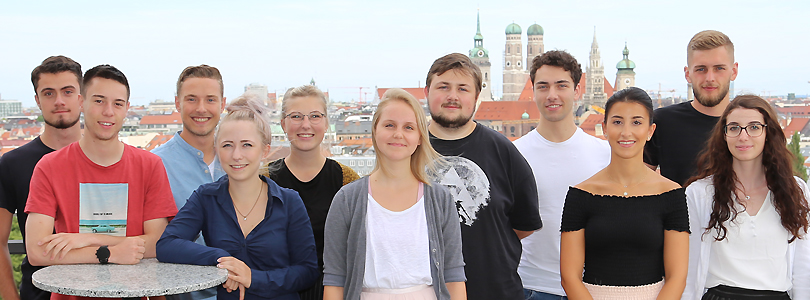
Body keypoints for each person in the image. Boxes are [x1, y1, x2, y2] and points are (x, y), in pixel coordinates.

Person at [24, 65, 178, 300]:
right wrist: (109, 253)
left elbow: (157, 243)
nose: (108, 111)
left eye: (117, 103)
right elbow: (36, 251)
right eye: (98, 101)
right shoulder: (50, 166)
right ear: (81, 102)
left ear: (127, 109)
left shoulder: (149, 165)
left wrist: (87, 238)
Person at [157, 94, 319, 300]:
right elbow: (167, 244)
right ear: (217, 150)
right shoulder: (206, 198)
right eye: (227, 145)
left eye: (247, 145)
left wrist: (252, 278)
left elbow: (307, 271)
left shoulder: (289, 202)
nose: (236, 155)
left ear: (265, 151)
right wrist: (222, 259)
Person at [323, 89, 466, 300]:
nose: (398, 134)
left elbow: (453, 276)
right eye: (389, 125)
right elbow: (335, 279)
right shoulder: (347, 200)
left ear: (419, 138)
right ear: (375, 131)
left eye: (408, 127)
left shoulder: (440, 199)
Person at [424, 53, 542, 300]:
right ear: (427, 92)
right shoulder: (408, 149)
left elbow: (524, 225)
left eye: (463, 89)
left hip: (495, 292)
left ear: (476, 97)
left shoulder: (503, 151)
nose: (452, 96)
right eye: (443, 87)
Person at [560, 87, 690, 299]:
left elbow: (677, 277)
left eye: (636, 122)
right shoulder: (580, 195)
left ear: (650, 131)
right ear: (604, 128)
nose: (626, 132)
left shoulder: (672, 194)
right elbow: (569, 277)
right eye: (617, 122)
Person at [683, 95, 810, 300]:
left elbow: (804, 267)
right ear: (724, 135)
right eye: (734, 128)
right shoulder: (700, 193)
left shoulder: (796, 190)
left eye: (754, 127)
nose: (743, 136)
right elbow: (690, 264)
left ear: (768, 133)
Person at [515, 50, 610, 300]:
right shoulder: (513, 154)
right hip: (531, 286)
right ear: (533, 90)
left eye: (561, 85)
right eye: (543, 86)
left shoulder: (605, 153)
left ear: (577, 91)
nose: (552, 95)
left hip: (595, 287)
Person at [0, 56, 83, 300]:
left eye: (68, 91)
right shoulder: (12, 164)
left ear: (82, 96)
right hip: (38, 294)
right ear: (37, 100)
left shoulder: (109, 159)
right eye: (48, 93)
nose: (59, 101)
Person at [266, 85, 359, 299]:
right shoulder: (264, 180)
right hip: (277, 290)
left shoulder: (347, 179)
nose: (305, 124)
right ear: (283, 124)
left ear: (326, 123)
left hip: (333, 290)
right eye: (296, 116)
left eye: (315, 116)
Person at [153, 65, 228, 300]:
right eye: (192, 99)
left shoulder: (240, 160)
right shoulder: (155, 164)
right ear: (177, 103)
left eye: (210, 100)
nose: (201, 108)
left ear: (223, 103)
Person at [645, 30, 739, 185]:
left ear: (733, 71)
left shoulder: (752, 126)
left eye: (719, 68)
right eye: (701, 69)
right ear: (688, 74)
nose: (710, 78)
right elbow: (635, 184)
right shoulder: (662, 122)